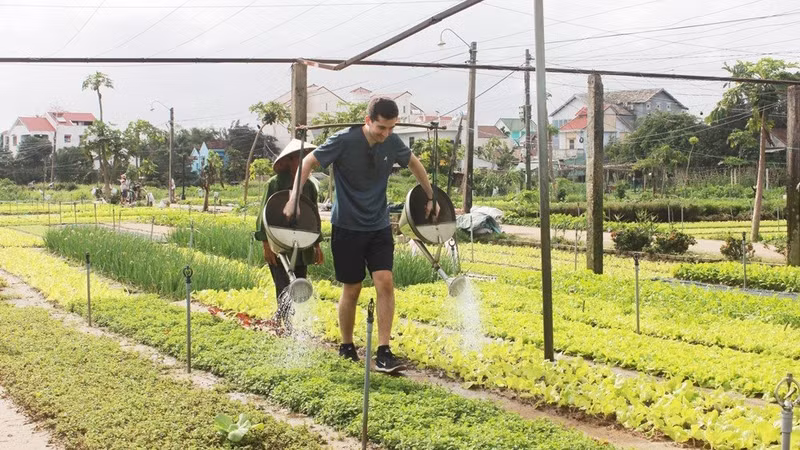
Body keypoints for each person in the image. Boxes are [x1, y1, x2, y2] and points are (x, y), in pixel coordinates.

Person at [284, 97, 438, 373]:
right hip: (347, 227)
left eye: (391, 128)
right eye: (381, 128)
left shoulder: (391, 142)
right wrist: (294, 199)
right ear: (368, 121)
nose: (386, 134)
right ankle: (346, 346)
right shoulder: (343, 140)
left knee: (385, 282)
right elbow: (308, 162)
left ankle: (383, 350)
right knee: (352, 289)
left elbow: (415, 164)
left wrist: (431, 196)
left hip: (378, 226)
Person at [255, 139, 324, 328]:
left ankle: (289, 321)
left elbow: (313, 214)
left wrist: (317, 244)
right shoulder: (275, 183)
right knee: (282, 282)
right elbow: (264, 214)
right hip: (278, 240)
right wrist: (266, 244)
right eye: (302, 158)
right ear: (291, 160)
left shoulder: (309, 185)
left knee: (300, 281)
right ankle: (285, 323)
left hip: (302, 241)